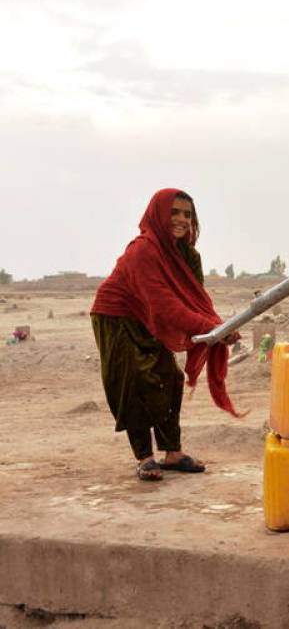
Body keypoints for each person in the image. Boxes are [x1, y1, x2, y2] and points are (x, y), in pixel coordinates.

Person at [91, 189, 242, 481]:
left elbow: (194, 298)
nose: (182, 219)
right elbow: (164, 305)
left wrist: (220, 327)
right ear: (158, 214)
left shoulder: (187, 254)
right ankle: (145, 457)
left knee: (169, 378)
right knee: (133, 381)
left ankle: (172, 452)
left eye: (187, 214)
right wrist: (211, 329)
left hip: (147, 317)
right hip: (116, 316)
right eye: (174, 212)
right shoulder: (143, 250)